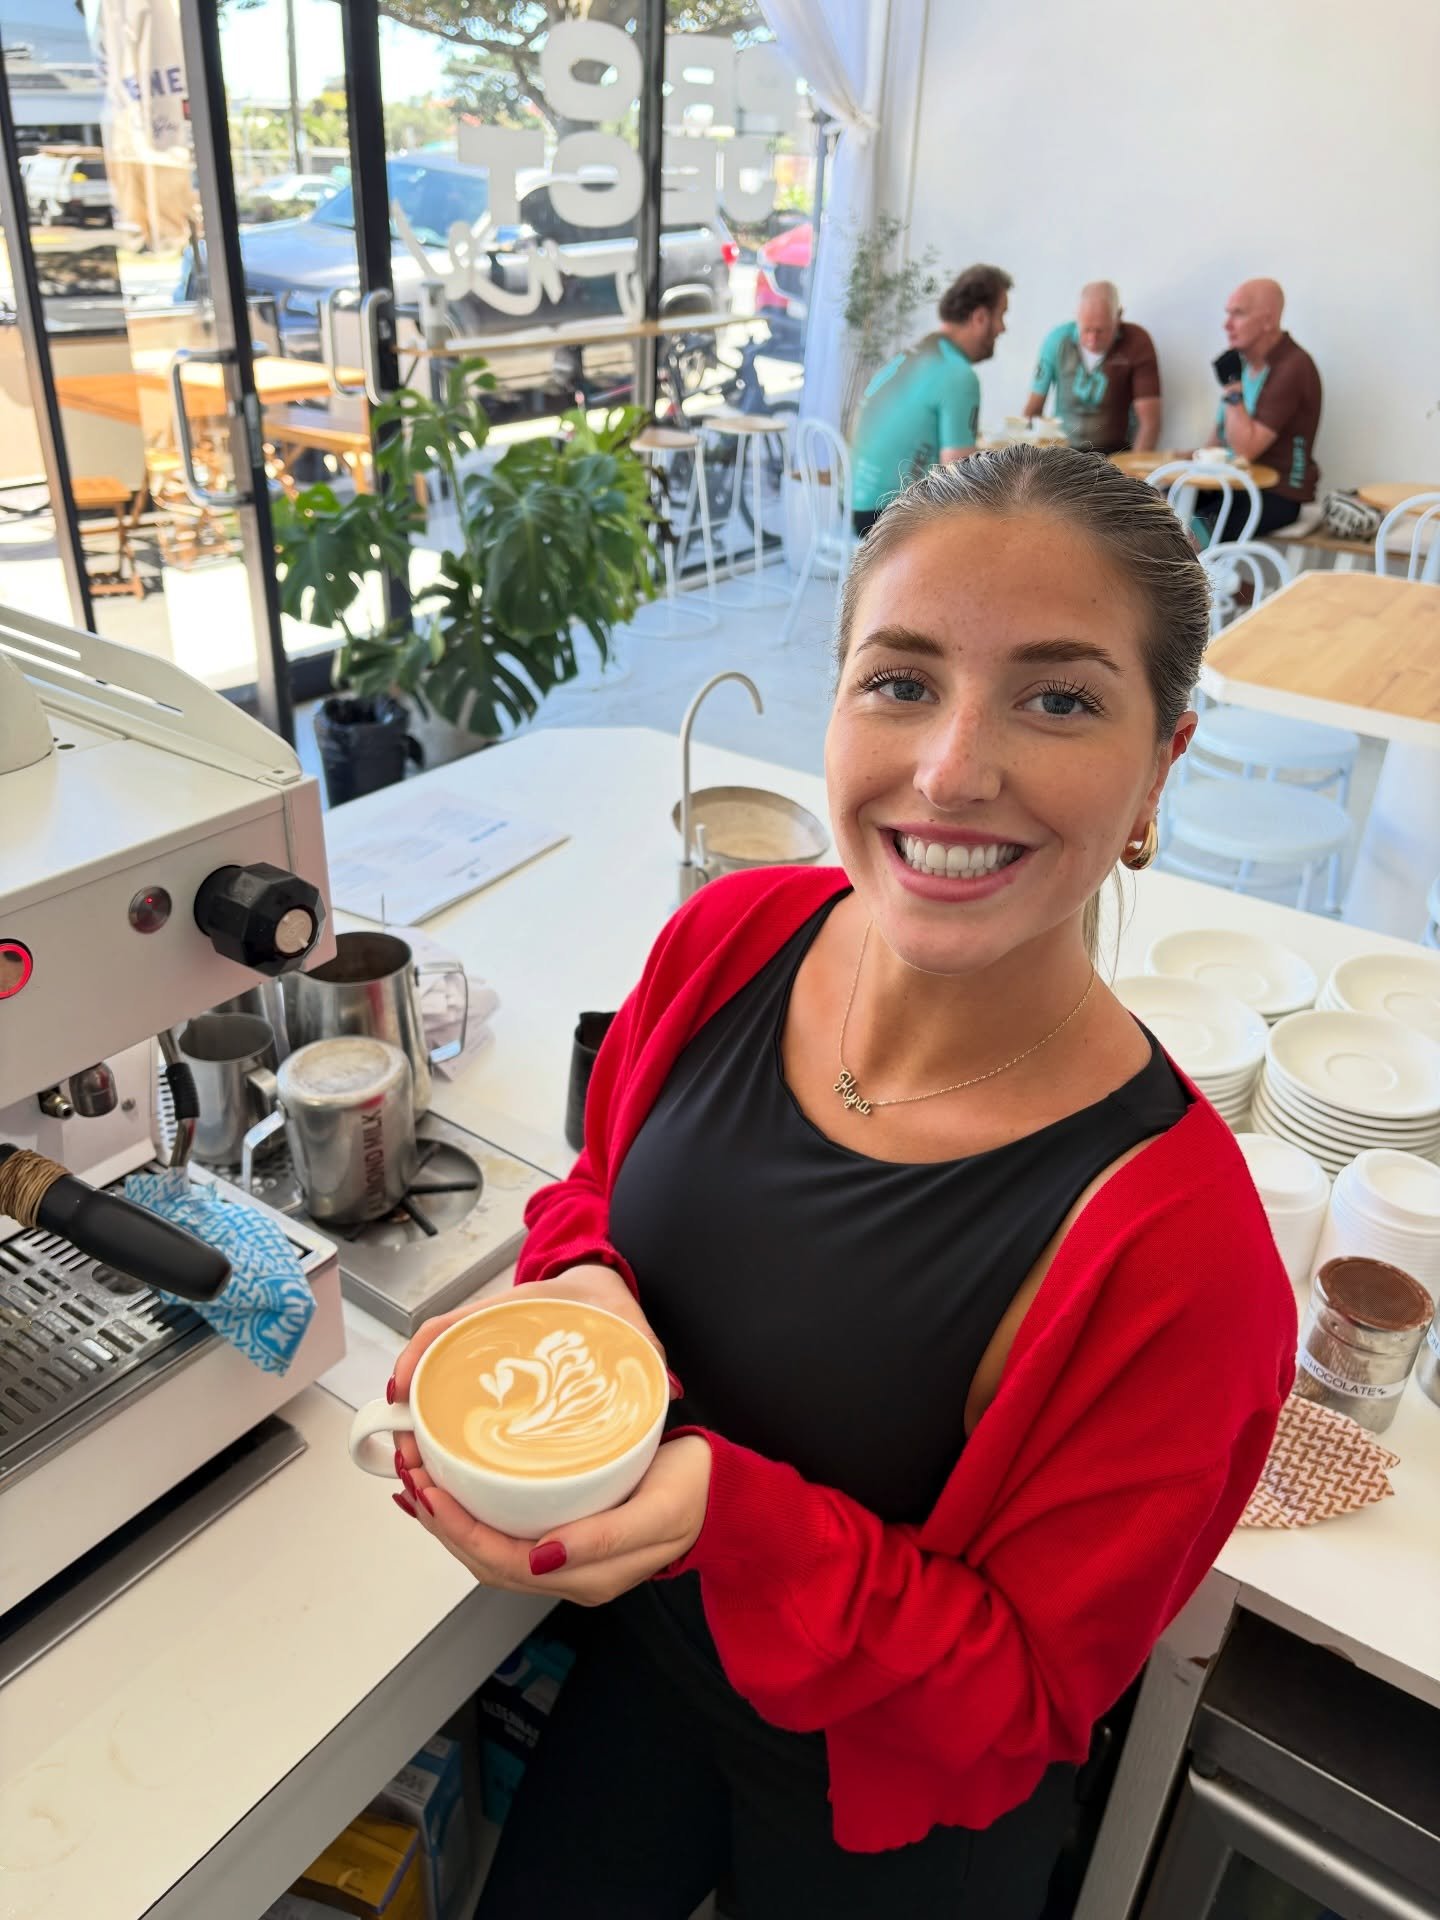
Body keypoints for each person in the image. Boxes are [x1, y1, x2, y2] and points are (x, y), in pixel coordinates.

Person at [390, 446, 1297, 1920]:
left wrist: (724, 1519)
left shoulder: (1182, 1260)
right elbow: (603, 1193)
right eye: (900, 681)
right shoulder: (730, 940)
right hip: (649, 1679)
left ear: (1161, 769)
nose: (952, 769)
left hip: (896, 1814)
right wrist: (586, 1284)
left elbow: (1024, 1692)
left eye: (1059, 699)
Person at [848, 263, 1012, 537]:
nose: (1002, 328)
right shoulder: (958, 374)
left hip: (854, 503)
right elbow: (959, 476)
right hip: (885, 517)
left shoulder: (917, 353)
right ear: (981, 317)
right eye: (1001, 316)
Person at [1203, 278, 1322, 542]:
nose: (1227, 324)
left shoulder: (1293, 366)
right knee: (1162, 505)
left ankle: (1232, 585)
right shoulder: (1244, 365)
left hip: (1277, 493)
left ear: (1268, 321)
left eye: (1239, 314)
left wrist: (1233, 388)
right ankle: (1234, 585)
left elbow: (1247, 449)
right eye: (1228, 313)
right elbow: (1216, 442)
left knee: (1190, 534)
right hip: (1234, 484)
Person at [1023, 280, 1161, 454]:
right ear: (1076, 316)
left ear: (1118, 316)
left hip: (1115, 453)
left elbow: (1150, 422)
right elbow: (1033, 409)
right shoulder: (1057, 340)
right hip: (1062, 454)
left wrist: (1135, 471)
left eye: (1101, 330)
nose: (1092, 339)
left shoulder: (1137, 342)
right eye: (1086, 330)